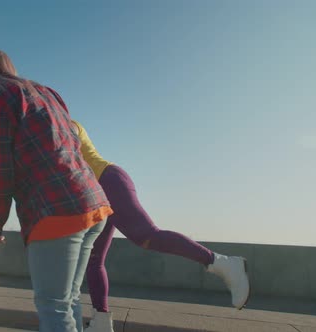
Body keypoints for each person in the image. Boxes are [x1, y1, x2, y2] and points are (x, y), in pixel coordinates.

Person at [0, 49, 113, 332]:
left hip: (57, 211)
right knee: (68, 299)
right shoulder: (47, 92)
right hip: (93, 202)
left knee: (53, 307)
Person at [69, 120, 250, 332]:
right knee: (95, 259)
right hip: (95, 194)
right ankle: (100, 322)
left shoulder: (66, 124)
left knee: (146, 236)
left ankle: (224, 263)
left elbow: (65, 155)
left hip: (107, 180)